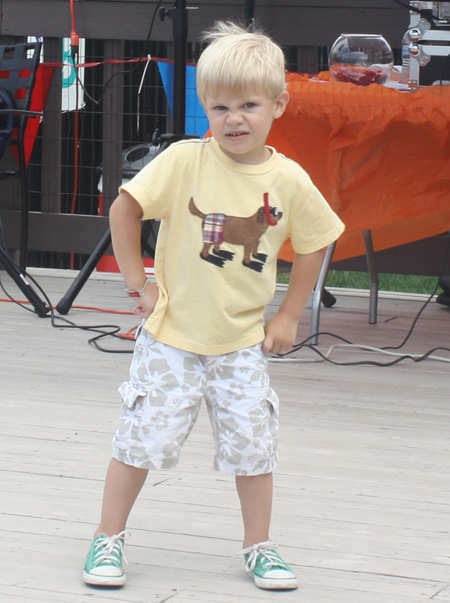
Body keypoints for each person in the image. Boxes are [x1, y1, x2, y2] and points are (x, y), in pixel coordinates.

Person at [82, 20, 345, 591]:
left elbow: (318, 239)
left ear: (279, 103)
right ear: (205, 107)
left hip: (242, 345)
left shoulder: (289, 180)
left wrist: (288, 314)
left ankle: (260, 547)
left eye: (249, 104)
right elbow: (123, 210)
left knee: (255, 448)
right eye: (219, 105)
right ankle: (107, 538)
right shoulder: (183, 161)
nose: (234, 118)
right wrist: (138, 285)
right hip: (171, 339)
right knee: (140, 440)